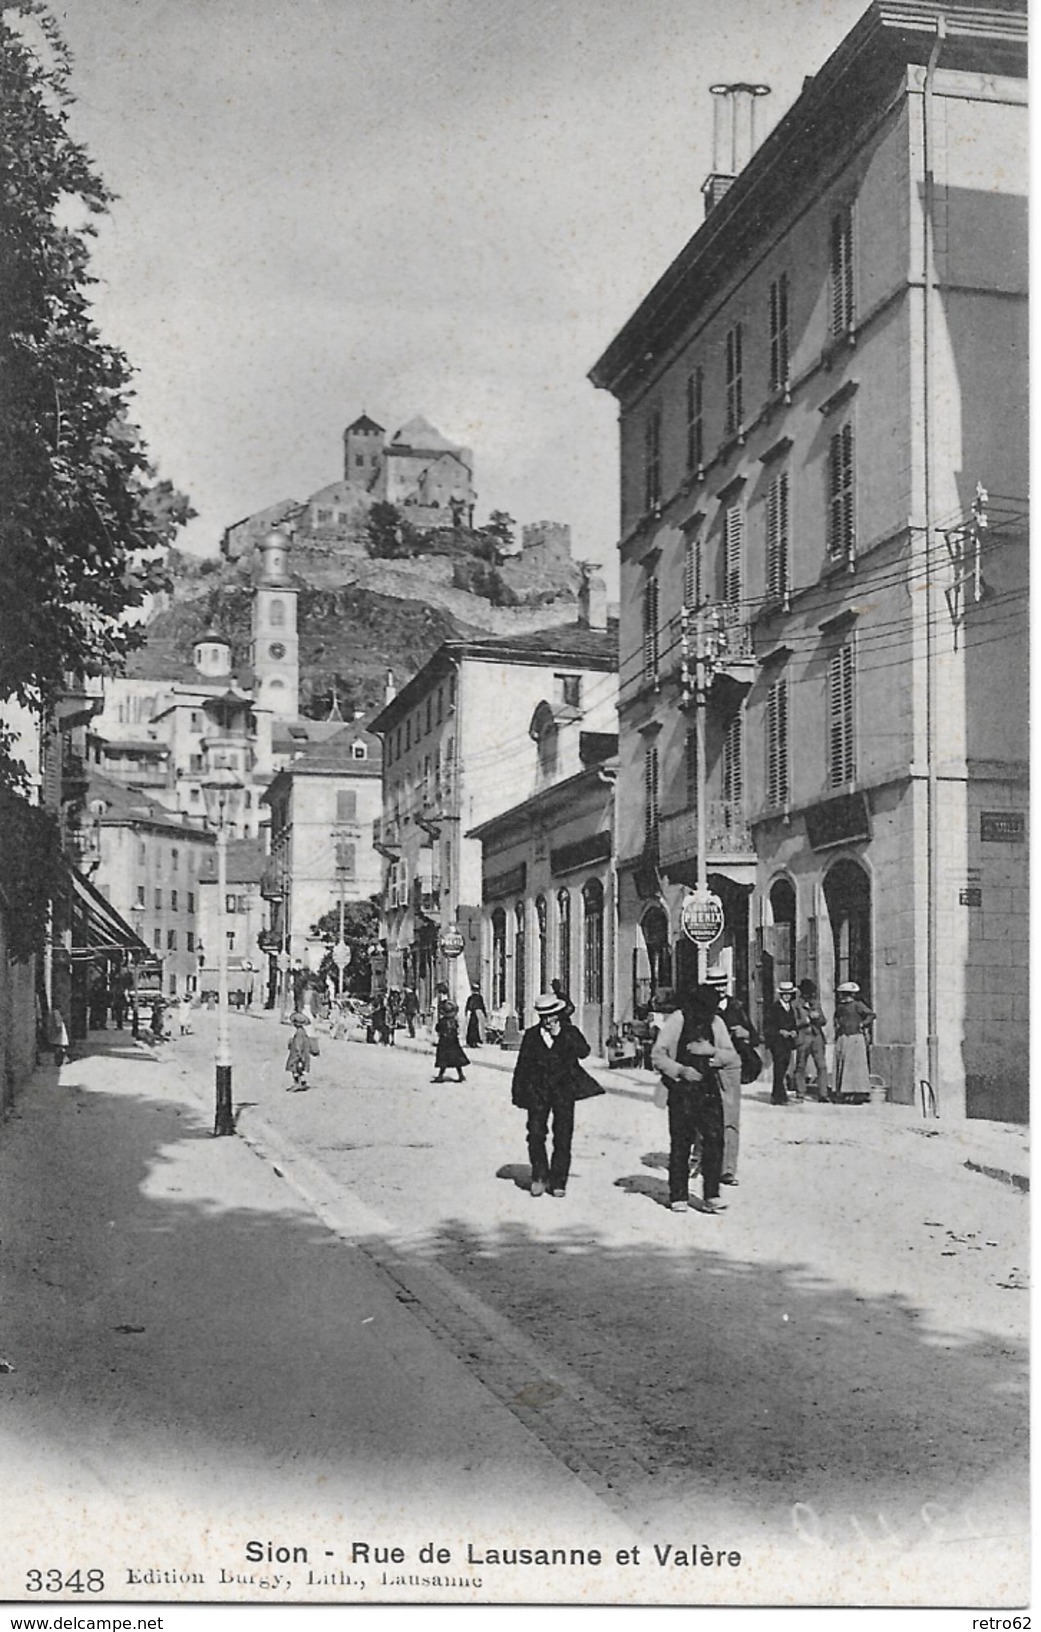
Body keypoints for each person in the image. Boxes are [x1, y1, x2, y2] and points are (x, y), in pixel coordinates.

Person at [651, 982, 739, 1214]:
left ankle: (711, 1194)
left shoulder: (717, 1023)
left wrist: (712, 1053)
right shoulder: (677, 1020)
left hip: (709, 1090)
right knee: (681, 1142)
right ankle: (678, 1195)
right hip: (681, 1091)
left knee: (714, 1140)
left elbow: (731, 1056)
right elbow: (657, 1055)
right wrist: (680, 1070)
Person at [511, 993, 604, 1197]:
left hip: (563, 1091)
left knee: (562, 1136)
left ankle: (558, 1181)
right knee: (535, 1134)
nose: (548, 1020)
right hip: (538, 1092)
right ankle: (539, 1176)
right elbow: (522, 1065)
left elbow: (584, 1052)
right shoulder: (531, 1035)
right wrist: (518, 1092)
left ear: (558, 1014)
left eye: (552, 1015)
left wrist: (561, 1035)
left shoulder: (570, 1032)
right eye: (544, 1016)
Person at [704, 971, 758, 1185]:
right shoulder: (703, 1008)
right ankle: (701, 1157)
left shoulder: (737, 1006)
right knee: (705, 1116)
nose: (719, 989)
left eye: (722, 985)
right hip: (706, 1066)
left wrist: (745, 1033)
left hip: (731, 1068)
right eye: (715, 985)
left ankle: (728, 1169)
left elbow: (754, 1036)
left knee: (730, 1118)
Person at [833, 982, 876, 1098]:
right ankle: (844, 1091)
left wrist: (862, 1024)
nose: (846, 997)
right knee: (844, 1063)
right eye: (844, 994)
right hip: (843, 1037)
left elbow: (871, 1015)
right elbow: (836, 1018)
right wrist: (838, 1026)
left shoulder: (858, 1005)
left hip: (855, 1037)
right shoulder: (840, 1006)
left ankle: (858, 1092)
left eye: (848, 994)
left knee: (856, 1065)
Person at [793, 978, 831, 1101]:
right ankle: (800, 1092)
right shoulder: (796, 1005)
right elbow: (792, 1022)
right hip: (803, 1037)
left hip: (817, 1037)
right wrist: (806, 1020)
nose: (809, 995)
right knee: (800, 1065)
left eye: (811, 993)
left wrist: (818, 1017)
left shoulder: (816, 1004)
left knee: (821, 1066)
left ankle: (823, 1093)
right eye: (807, 992)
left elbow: (824, 1021)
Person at [764, 981, 800, 1105]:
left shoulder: (790, 1008)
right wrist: (780, 1031)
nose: (786, 996)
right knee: (779, 1068)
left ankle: (777, 1094)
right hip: (777, 1042)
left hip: (788, 1042)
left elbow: (793, 1023)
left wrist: (794, 1031)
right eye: (784, 994)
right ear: (780, 995)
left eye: (789, 994)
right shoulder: (774, 1008)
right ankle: (779, 1097)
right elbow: (768, 1025)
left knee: (784, 1067)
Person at [433, 999, 468, 1083]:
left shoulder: (442, 1021)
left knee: (443, 1060)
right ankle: (461, 1075)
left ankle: (440, 1076)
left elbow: (437, 1029)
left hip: (444, 1042)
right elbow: (456, 1029)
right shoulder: (454, 1021)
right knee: (456, 1060)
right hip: (453, 1041)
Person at [285, 1010, 314, 1091]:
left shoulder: (299, 1033)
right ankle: (301, 1082)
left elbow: (298, 1044)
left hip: (298, 1054)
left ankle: (297, 1083)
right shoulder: (302, 1032)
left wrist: (298, 1054)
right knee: (299, 1069)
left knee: (295, 1068)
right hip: (302, 1053)